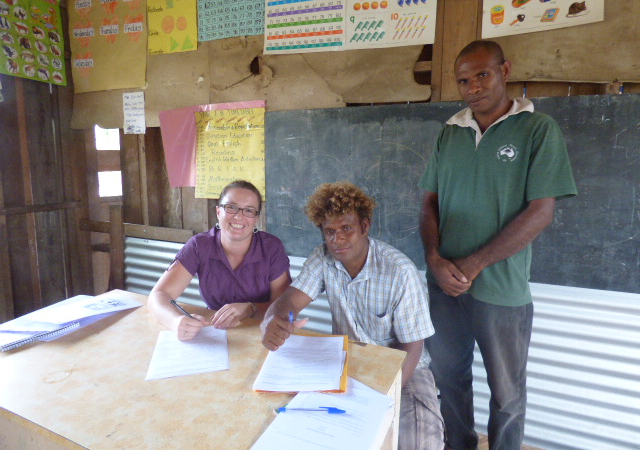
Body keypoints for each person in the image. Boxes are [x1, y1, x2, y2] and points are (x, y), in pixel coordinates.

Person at [419, 40, 577, 450]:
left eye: (482, 75)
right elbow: (429, 204)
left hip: (502, 290)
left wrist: (473, 264)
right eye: (464, 80)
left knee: (507, 395)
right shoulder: (449, 132)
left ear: (505, 70)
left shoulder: (538, 130)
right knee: (448, 379)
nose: (473, 87)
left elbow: (542, 211)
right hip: (443, 287)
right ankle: (459, 445)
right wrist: (434, 260)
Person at [261, 181, 445, 450]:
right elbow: (290, 299)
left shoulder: (400, 272)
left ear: (365, 227)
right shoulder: (323, 258)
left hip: (404, 369)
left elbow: (412, 347)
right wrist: (273, 320)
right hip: (347, 363)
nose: (338, 239)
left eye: (346, 228)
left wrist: (381, 397)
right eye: (329, 231)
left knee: (421, 442)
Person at [148, 180, 291, 340]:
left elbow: (284, 306)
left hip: (262, 333)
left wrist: (251, 309)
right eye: (231, 207)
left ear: (256, 218)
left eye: (249, 210)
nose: (238, 216)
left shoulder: (271, 248)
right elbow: (159, 295)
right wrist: (176, 321)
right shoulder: (199, 245)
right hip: (215, 334)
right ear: (218, 212)